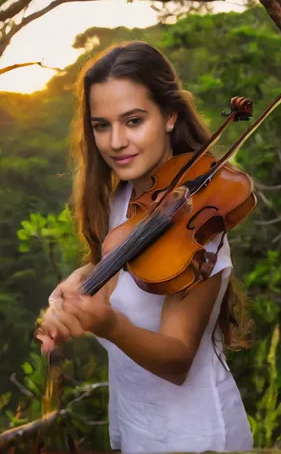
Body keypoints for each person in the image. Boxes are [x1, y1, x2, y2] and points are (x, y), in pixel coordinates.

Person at [37, 41, 254, 453]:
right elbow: (120, 273)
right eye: (102, 125)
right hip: (140, 430)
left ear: (170, 115)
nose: (116, 141)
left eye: (133, 121)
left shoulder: (201, 222)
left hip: (195, 438)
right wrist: (81, 283)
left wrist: (109, 325)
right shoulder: (123, 202)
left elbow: (176, 358)